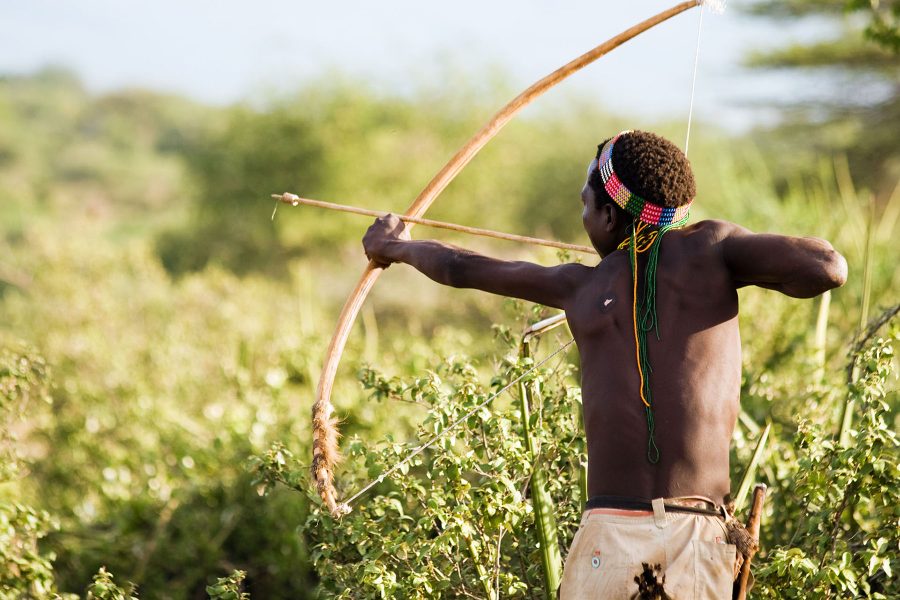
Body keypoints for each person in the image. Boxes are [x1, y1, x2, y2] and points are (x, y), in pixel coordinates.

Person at [362, 130, 847, 599]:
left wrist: (395, 246)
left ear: (611, 218)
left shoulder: (582, 287)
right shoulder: (711, 249)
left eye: (585, 205)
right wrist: (719, 247)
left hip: (607, 540)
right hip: (693, 540)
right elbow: (828, 266)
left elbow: (460, 267)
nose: (583, 217)